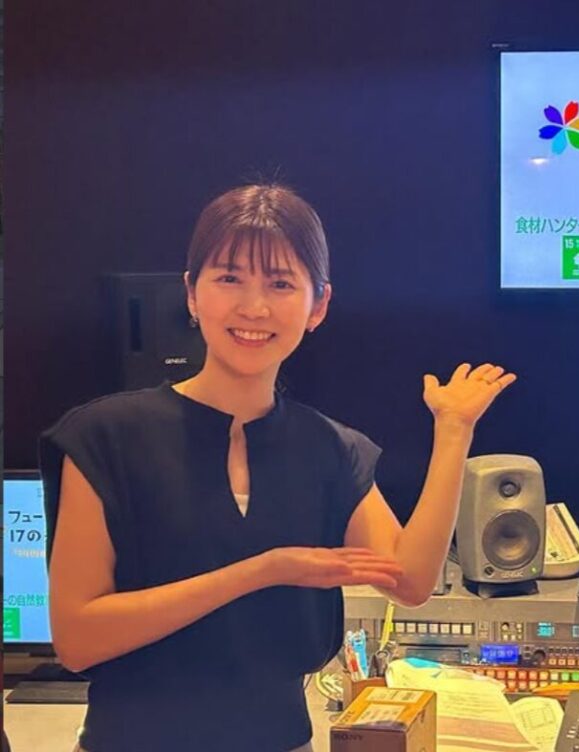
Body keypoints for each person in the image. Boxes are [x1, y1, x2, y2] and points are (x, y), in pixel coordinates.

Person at [39, 183, 517, 752]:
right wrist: (261, 571)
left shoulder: (331, 448)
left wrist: (454, 432)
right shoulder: (104, 436)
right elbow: (78, 639)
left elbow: (410, 581)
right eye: (229, 278)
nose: (254, 307)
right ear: (191, 293)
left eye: (281, 283)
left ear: (319, 305)